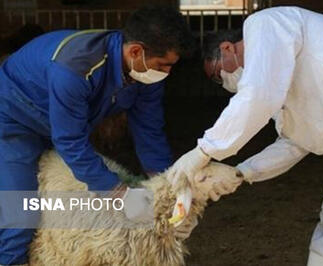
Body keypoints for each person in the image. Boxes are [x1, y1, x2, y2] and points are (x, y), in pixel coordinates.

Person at [168, 6, 323, 266]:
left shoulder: (265, 24)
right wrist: (240, 174)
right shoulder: (279, 84)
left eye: (216, 75)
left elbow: (256, 97)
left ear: (227, 49)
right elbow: (293, 144)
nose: (224, 83)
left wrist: (203, 152)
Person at [0, 7, 194, 265]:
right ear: (136, 51)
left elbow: (149, 131)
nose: (166, 72)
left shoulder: (146, 73)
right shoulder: (76, 68)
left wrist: (164, 192)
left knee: (62, 212)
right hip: (15, 119)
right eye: (163, 65)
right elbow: (70, 141)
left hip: (60, 122)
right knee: (21, 210)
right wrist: (118, 193)